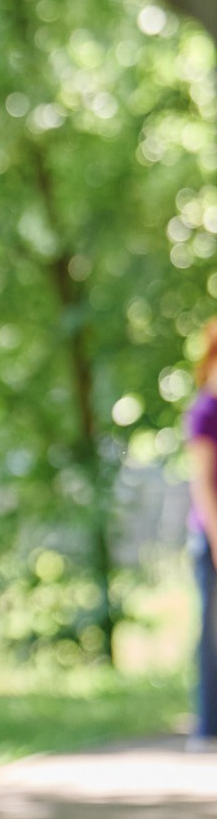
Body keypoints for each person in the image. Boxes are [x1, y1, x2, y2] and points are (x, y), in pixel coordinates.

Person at [186, 320, 217, 746]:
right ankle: (207, 727)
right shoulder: (204, 411)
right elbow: (202, 485)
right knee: (212, 636)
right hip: (209, 536)